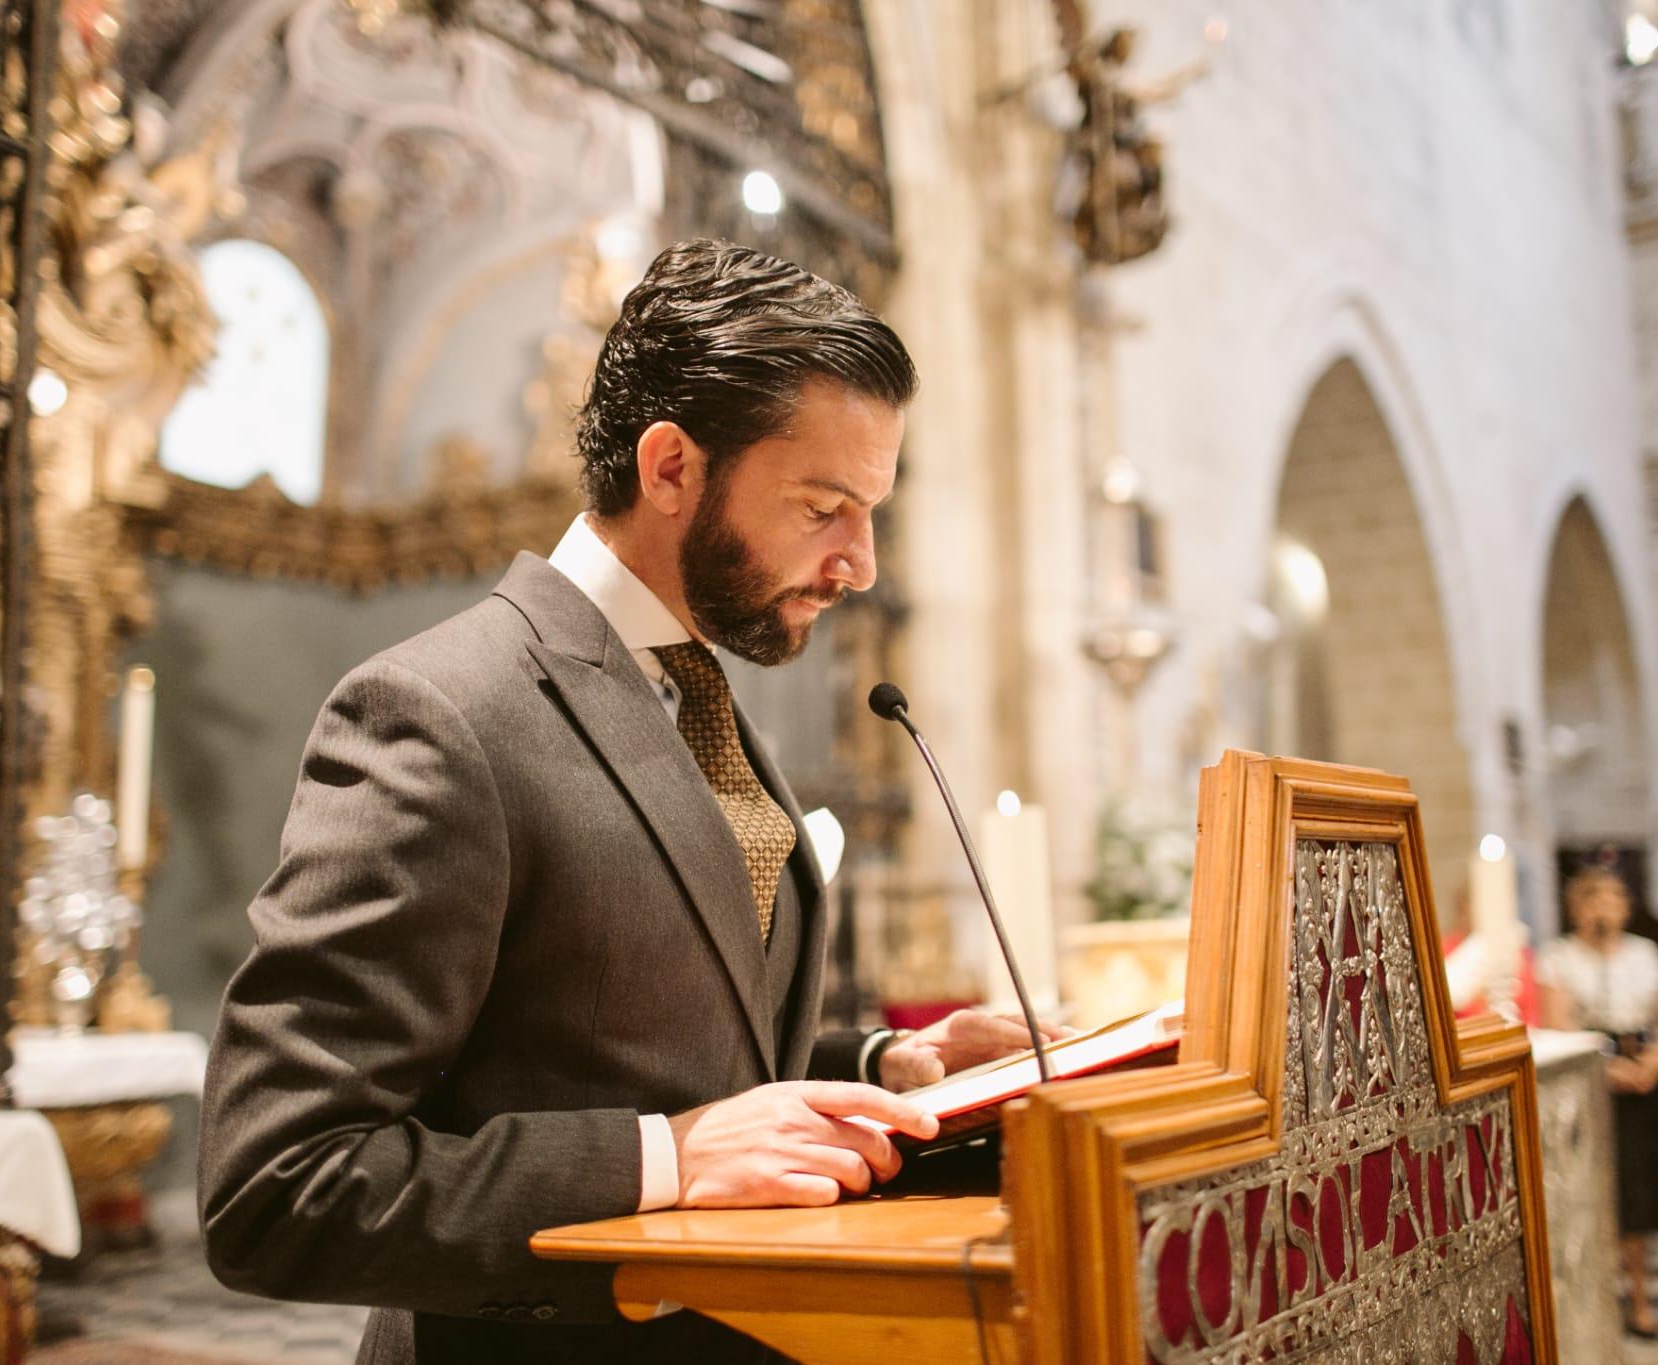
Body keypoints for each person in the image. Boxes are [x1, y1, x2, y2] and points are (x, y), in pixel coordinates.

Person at [197, 240, 1052, 1363]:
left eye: (870, 512)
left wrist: (880, 1073)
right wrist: (664, 1161)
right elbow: (276, 1183)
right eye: (823, 507)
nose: (861, 563)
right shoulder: (438, 712)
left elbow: (675, 1058)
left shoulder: (695, 690)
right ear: (668, 469)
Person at [1536, 867, 1658, 1339]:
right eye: (1594, 899)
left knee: (1637, 1190)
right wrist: (1606, 1069)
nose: (1605, 908)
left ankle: (1641, 1295)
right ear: (1576, 908)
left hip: (1641, 1076)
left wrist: (1655, 1063)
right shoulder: (1560, 957)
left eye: (1614, 898)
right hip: (1588, 1075)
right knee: (1595, 1186)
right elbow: (1560, 1023)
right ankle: (1594, 1289)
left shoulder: (1645, 954)